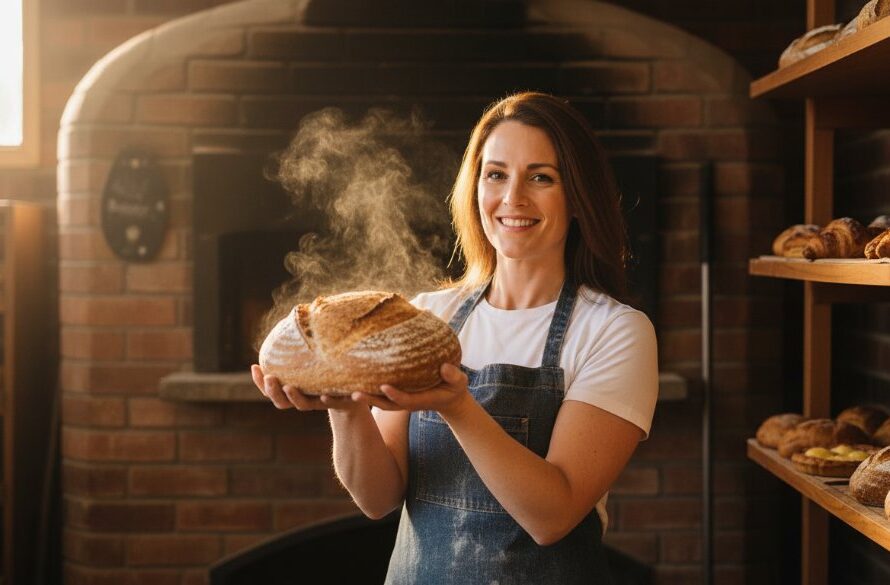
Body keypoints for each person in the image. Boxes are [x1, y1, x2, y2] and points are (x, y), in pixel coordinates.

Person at [251, 92, 658, 585]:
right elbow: (378, 499)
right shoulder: (429, 318)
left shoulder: (614, 331)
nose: (513, 198)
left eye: (541, 177)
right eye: (496, 174)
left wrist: (458, 407)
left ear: (578, 197)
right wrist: (346, 406)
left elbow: (553, 516)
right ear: (475, 187)